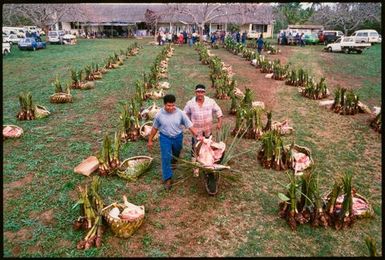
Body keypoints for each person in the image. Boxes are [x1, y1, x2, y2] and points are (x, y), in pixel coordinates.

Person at [148, 94, 199, 190]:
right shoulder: (159, 114)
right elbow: (154, 128)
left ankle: (174, 160)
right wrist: (150, 140)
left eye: (172, 105)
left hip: (178, 137)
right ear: (164, 105)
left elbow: (189, 125)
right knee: (166, 157)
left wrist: (197, 135)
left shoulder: (180, 113)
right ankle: (168, 178)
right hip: (165, 138)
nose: (171, 108)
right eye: (168, 105)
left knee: (177, 151)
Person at [183, 84, 223, 177]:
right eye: (198, 92)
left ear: (204, 92)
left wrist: (219, 122)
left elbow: (218, 111)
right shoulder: (190, 103)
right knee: (195, 148)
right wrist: (190, 126)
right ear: (195, 92)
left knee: (208, 146)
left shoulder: (210, 102)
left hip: (207, 129)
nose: (200, 94)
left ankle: (207, 163)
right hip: (196, 131)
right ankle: (195, 168)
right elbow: (184, 115)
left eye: (202, 92)